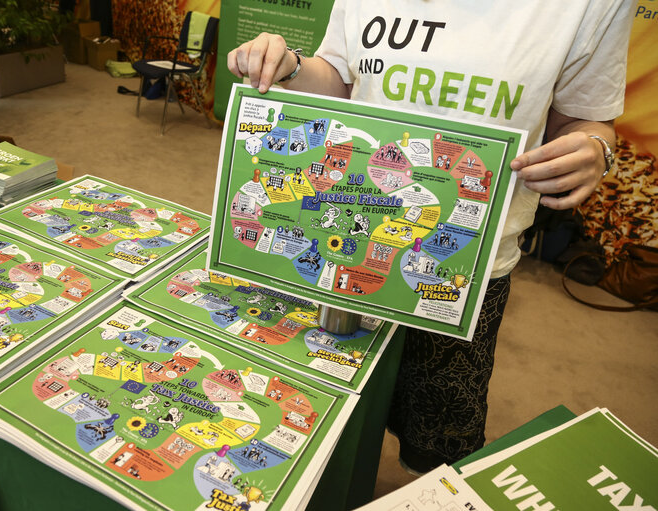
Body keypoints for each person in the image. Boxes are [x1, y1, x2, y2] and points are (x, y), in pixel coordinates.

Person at [228, 1, 635, 473]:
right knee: (319, 423)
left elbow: (587, 118)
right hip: (348, 241)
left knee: (436, 453)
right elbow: (340, 80)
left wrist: (595, 149)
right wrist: (290, 66)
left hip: (461, 268)